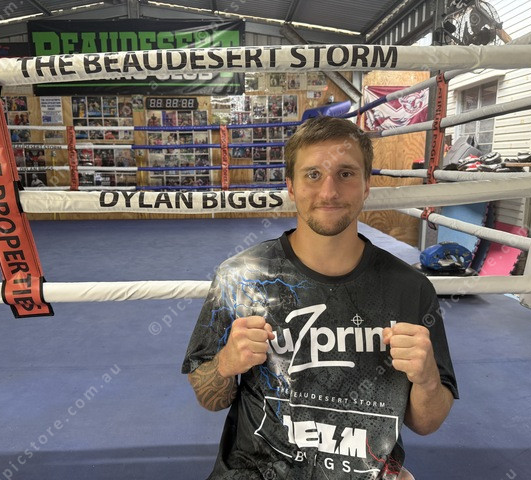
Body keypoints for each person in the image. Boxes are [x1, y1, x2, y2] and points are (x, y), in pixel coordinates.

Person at [182, 116, 458, 480]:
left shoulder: (410, 288)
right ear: (291, 187)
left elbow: (426, 423)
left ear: (366, 185)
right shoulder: (240, 277)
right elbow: (209, 398)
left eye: (345, 174)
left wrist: (426, 380)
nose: (329, 192)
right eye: (313, 174)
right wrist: (225, 364)